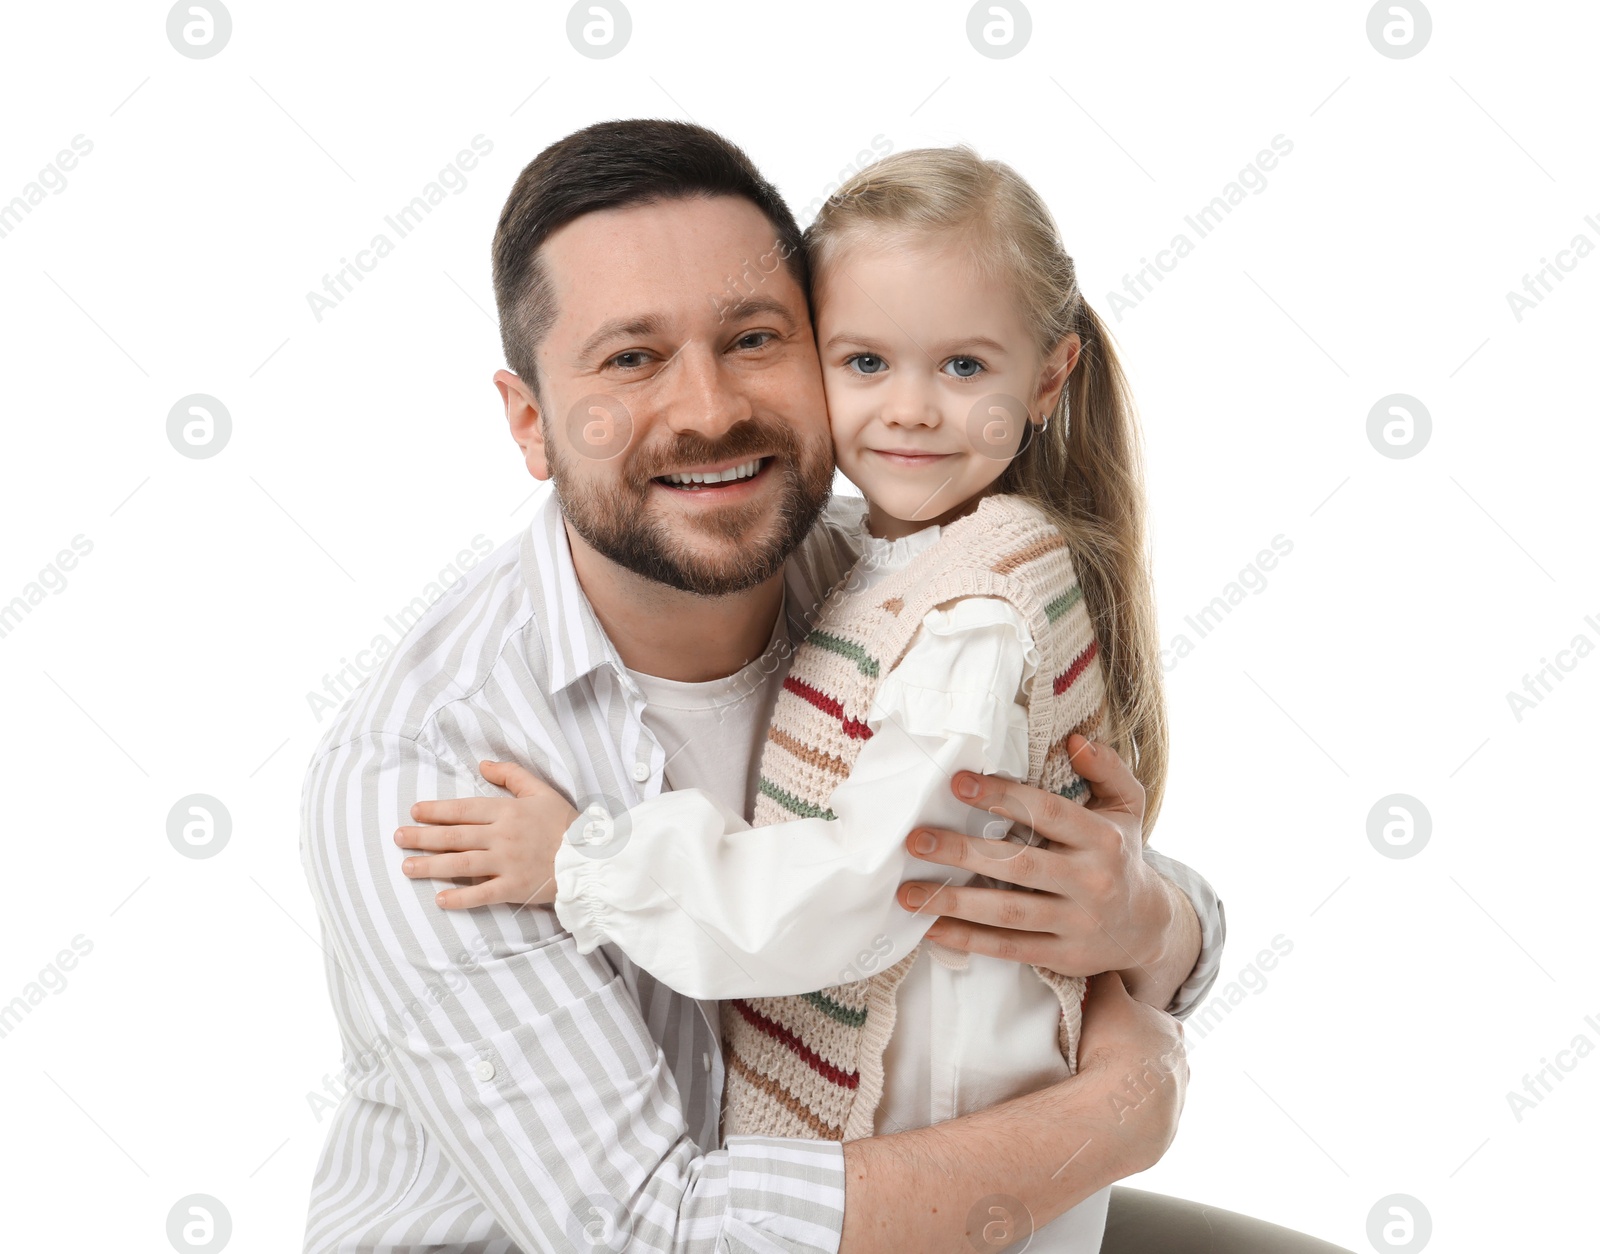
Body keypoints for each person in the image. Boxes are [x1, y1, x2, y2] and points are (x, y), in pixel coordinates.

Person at [301, 118, 1345, 1253]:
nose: (707, 410)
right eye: (631, 358)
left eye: (752, 338)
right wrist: (1108, 1121)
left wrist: (1149, 922)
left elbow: (1040, 855)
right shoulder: (425, 777)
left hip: (896, 1177)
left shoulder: (893, 582)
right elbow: (658, 1232)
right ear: (529, 423)